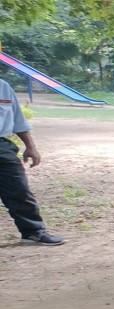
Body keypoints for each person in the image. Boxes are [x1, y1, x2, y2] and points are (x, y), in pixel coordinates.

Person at [0, 78, 65, 246]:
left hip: (2, 147)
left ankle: (32, 232)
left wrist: (31, 147)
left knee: (19, 190)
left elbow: (18, 120)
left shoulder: (3, 86)